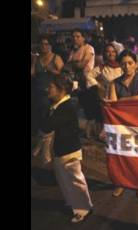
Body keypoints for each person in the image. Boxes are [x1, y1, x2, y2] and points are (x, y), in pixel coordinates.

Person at [39, 74, 93, 223]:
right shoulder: (59, 104)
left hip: (69, 151)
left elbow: (46, 126)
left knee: (75, 180)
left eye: (51, 87)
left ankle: (83, 208)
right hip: (60, 149)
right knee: (64, 179)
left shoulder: (66, 107)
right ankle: (72, 201)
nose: (47, 89)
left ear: (61, 90)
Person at [106, 50, 138, 197]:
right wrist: (129, 100)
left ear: (136, 64)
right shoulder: (114, 83)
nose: (127, 66)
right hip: (121, 124)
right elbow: (113, 103)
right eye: (124, 63)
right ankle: (122, 182)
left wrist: (121, 101)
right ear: (120, 65)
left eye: (130, 63)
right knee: (122, 155)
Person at [85, 44, 123, 139]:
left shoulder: (122, 66)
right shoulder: (102, 67)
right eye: (108, 52)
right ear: (105, 54)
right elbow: (89, 76)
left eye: (113, 51)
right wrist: (98, 85)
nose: (111, 54)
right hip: (107, 97)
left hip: (121, 97)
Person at [31, 35, 64, 134]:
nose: (43, 46)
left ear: (50, 45)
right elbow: (32, 72)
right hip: (38, 90)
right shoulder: (37, 58)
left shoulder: (56, 57)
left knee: (47, 114)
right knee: (37, 113)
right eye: (41, 44)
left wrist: (53, 71)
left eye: (46, 44)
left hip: (50, 91)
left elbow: (63, 74)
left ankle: (47, 135)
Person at [66, 29, 95, 138]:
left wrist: (74, 63)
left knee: (88, 107)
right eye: (73, 36)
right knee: (76, 106)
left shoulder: (89, 48)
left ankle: (89, 132)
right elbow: (68, 65)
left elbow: (82, 65)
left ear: (83, 37)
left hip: (86, 81)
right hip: (75, 81)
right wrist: (75, 63)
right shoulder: (73, 51)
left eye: (78, 36)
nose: (75, 39)